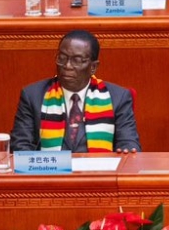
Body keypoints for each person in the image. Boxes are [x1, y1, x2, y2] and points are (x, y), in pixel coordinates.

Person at [10, 30, 141, 153]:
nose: (67, 66)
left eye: (77, 60)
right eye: (62, 58)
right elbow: (20, 147)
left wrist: (127, 151)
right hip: (50, 174)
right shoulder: (33, 95)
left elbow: (128, 144)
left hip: (99, 175)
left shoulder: (118, 97)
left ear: (93, 67)